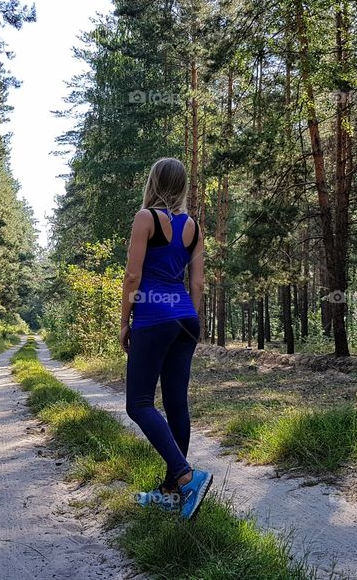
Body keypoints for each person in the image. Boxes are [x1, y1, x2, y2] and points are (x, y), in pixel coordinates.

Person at [118, 157, 212, 520]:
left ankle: (187, 476)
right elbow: (198, 283)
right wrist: (190, 319)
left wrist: (125, 321)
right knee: (176, 404)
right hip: (186, 319)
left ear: (153, 181)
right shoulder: (193, 227)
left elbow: (132, 276)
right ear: (183, 185)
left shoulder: (146, 218)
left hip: (153, 317)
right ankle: (173, 493)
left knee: (138, 403)